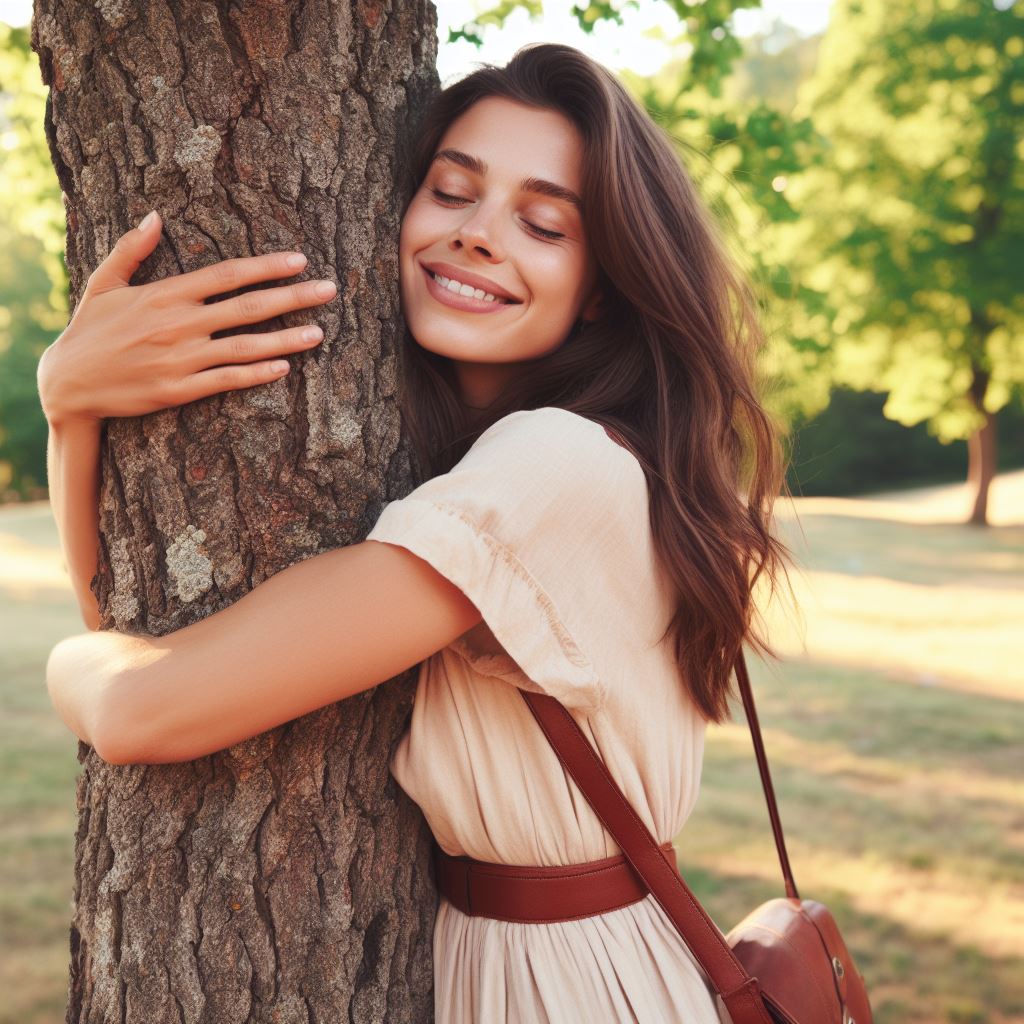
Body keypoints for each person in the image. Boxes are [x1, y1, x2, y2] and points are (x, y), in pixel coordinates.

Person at [38, 42, 792, 1024]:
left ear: (602, 284)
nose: (481, 236)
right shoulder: (477, 468)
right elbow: (138, 627)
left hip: (572, 991)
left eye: (543, 222)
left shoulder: (558, 465)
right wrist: (72, 409)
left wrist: (64, 664)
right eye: (450, 192)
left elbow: (144, 706)